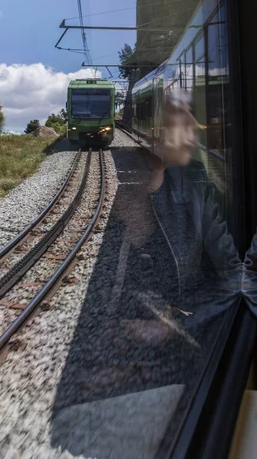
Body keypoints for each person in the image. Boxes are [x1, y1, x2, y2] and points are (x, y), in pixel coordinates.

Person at [50, 86, 243, 459]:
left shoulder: (194, 188)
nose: (195, 126)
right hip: (104, 377)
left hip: (173, 376)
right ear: (150, 128)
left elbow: (235, 277)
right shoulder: (110, 194)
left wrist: (174, 323)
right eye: (180, 114)